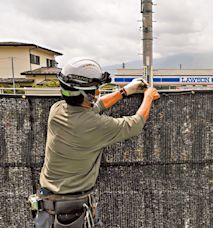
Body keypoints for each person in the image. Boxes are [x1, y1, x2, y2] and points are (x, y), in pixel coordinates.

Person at [33, 57, 160, 227]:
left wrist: (125, 91)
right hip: (72, 213)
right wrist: (148, 96)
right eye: (96, 89)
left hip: (49, 208)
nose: (98, 93)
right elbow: (135, 124)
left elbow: (96, 106)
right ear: (88, 94)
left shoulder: (57, 110)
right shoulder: (94, 125)